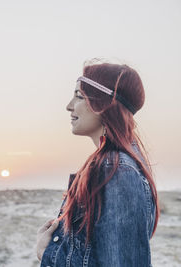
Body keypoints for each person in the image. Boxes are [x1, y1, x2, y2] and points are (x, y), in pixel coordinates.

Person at [36, 61, 159, 266]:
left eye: (79, 96)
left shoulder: (118, 171)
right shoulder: (109, 166)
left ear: (103, 104)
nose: (69, 106)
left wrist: (46, 251)